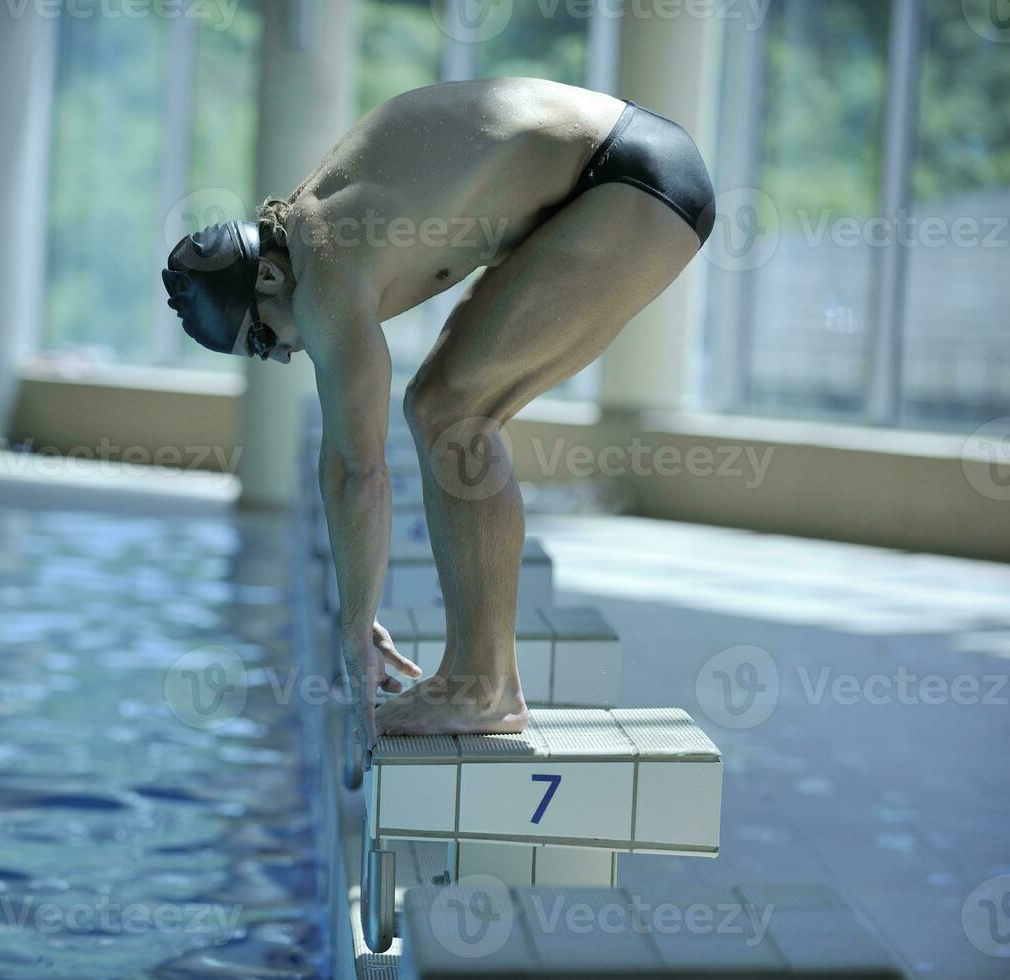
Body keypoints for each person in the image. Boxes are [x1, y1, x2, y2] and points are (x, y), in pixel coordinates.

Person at [162, 78, 715, 755]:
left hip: (627, 181)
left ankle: (485, 687)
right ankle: (475, 677)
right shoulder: (318, 220)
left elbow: (355, 470)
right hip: (627, 170)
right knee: (445, 405)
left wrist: (354, 634)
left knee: (452, 410)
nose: (278, 356)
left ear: (269, 280)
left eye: (261, 338)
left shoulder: (326, 261)